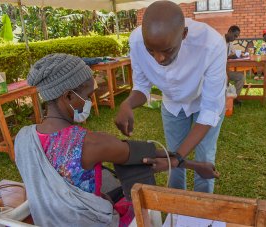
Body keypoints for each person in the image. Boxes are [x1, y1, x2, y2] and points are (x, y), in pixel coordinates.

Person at [14, 54, 219, 227]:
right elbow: (144, 156)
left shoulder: (23, 139)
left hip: (47, 220)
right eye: (88, 95)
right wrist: (196, 165)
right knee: (136, 206)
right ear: (68, 96)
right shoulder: (91, 143)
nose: (90, 101)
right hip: (91, 222)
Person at [115, 1, 226, 193]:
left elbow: (209, 110)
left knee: (204, 159)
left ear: (184, 34)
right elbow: (142, 87)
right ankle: (177, 208)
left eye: (167, 50)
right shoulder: (136, 41)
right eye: (151, 51)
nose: (158, 59)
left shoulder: (212, 44)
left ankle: (202, 214)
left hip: (204, 103)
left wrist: (179, 157)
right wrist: (127, 104)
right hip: (172, 105)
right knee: (171, 157)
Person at [225, 25, 245, 106]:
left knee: (241, 77)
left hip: (226, 70)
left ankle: (233, 99)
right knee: (225, 79)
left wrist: (238, 55)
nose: (235, 38)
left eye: (236, 37)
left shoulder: (230, 43)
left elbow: (233, 53)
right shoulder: (220, 41)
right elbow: (217, 58)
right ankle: (227, 101)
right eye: (235, 36)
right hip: (218, 70)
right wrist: (230, 56)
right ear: (229, 32)